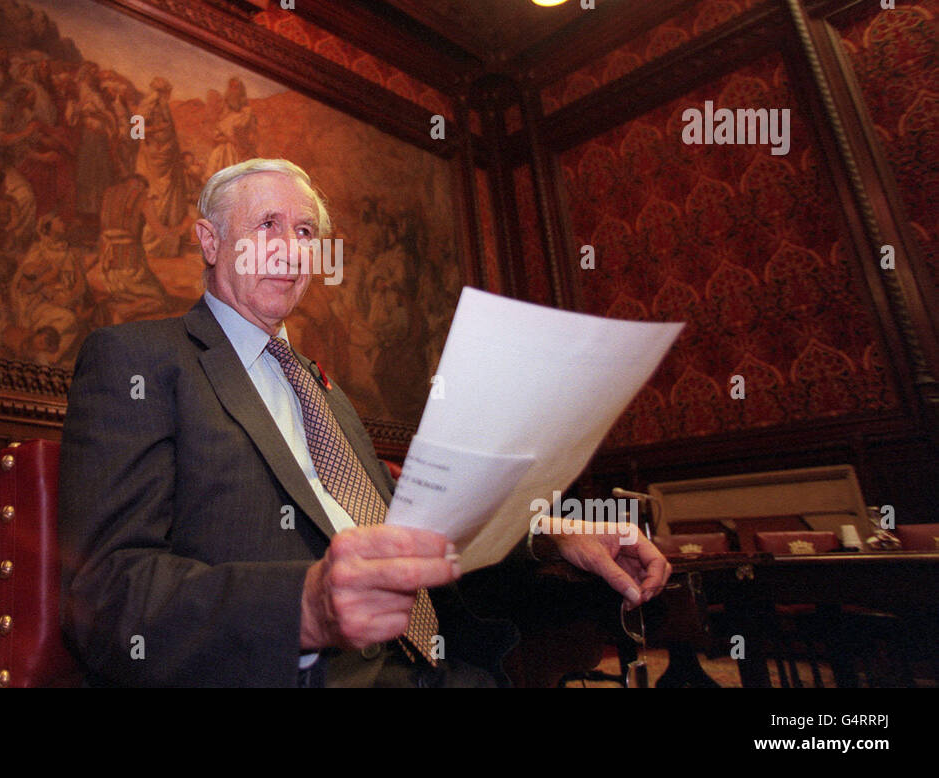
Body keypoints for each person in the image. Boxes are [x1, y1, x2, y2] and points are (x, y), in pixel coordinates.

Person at [60, 158, 670, 687]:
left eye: (305, 231)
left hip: (445, 665)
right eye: (267, 224)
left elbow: (419, 532)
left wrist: (552, 534)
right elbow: (107, 595)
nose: (291, 248)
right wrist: (303, 609)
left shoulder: (325, 391)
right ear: (210, 241)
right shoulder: (140, 360)